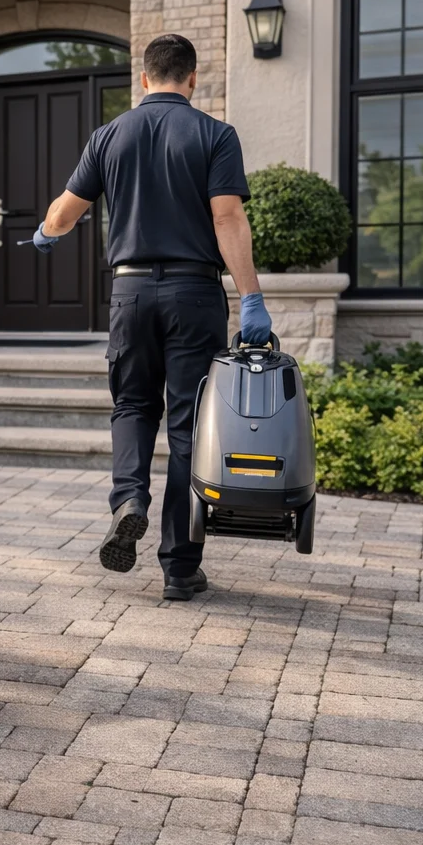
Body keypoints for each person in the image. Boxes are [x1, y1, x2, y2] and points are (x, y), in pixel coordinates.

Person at [31, 34, 272, 601]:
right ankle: (179, 568)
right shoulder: (215, 134)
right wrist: (252, 298)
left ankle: (128, 500)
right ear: (192, 79)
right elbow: (229, 218)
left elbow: (65, 212)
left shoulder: (109, 135)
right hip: (194, 294)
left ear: (144, 79)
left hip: (130, 292)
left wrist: (45, 234)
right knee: (190, 428)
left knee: (132, 405)